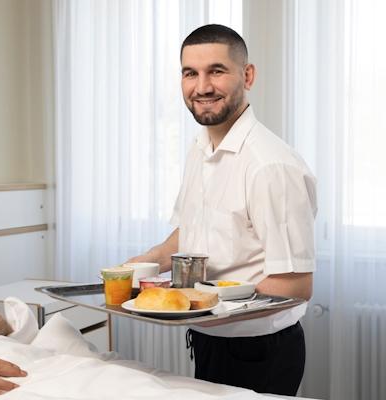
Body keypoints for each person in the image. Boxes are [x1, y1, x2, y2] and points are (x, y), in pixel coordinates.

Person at [126, 24, 317, 396]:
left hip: (260, 351)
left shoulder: (270, 165)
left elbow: (295, 285)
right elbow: (190, 230)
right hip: (209, 339)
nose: (202, 87)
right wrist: (143, 264)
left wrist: (191, 303)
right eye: (190, 73)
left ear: (248, 76)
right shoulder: (200, 149)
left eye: (216, 71)